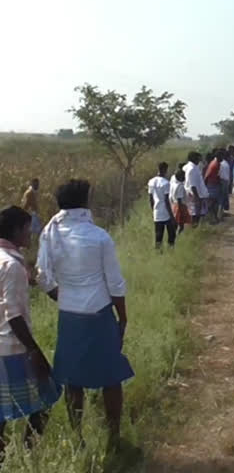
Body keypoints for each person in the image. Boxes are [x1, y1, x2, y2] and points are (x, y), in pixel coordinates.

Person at [36, 180, 134, 448]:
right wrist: (122, 317)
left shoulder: (50, 232)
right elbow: (114, 283)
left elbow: (43, 278)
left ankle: (77, 436)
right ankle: (114, 436)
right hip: (99, 313)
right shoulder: (99, 237)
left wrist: (64, 297)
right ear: (85, 202)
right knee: (111, 378)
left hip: (69, 316)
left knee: (72, 379)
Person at [0, 206, 61, 459]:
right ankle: (28, 453)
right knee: (46, 396)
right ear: (16, 230)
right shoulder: (11, 266)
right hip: (13, 348)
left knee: (2, 412)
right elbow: (13, 314)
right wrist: (34, 350)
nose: (30, 234)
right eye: (27, 228)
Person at [148, 162, 176, 249]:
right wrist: (172, 216)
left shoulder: (151, 182)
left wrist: (153, 210)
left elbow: (151, 199)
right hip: (166, 212)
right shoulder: (166, 183)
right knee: (172, 233)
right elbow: (166, 201)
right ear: (165, 170)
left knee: (158, 235)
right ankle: (171, 250)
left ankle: (158, 252)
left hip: (157, 211)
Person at [183, 152, 208, 226]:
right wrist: (197, 197)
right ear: (194, 158)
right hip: (195, 195)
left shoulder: (193, 167)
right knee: (195, 214)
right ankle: (194, 228)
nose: (199, 160)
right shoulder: (191, 169)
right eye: (198, 158)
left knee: (198, 213)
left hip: (198, 194)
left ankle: (195, 227)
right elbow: (192, 185)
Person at [170, 165, 191, 235]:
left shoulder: (173, 184)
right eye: (184, 176)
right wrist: (181, 211)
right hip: (180, 206)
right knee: (181, 225)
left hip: (174, 205)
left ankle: (174, 236)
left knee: (176, 224)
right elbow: (179, 199)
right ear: (181, 177)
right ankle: (177, 237)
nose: (185, 177)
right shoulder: (180, 186)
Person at [204, 151, 223, 223]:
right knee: (212, 202)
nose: (223, 158)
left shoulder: (215, 163)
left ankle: (214, 217)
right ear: (218, 157)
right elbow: (207, 175)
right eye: (222, 157)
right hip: (212, 185)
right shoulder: (215, 164)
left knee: (214, 202)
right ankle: (211, 218)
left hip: (213, 184)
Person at [218, 150, 231, 216]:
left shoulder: (222, 163)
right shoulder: (226, 164)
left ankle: (221, 213)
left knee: (222, 197)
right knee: (223, 197)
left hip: (222, 181)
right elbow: (227, 175)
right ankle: (220, 213)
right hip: (224, 182)